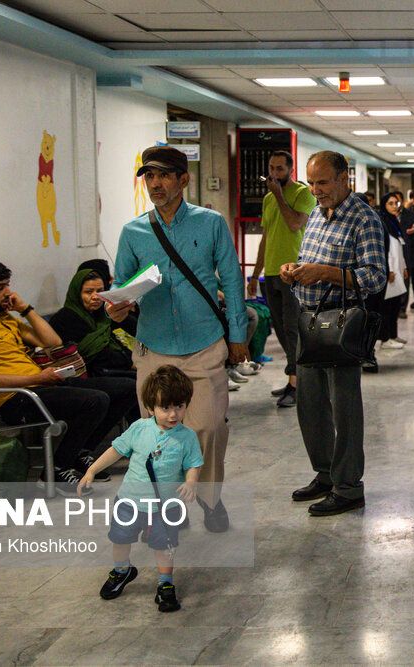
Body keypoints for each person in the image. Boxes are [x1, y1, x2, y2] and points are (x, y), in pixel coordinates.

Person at [109, 145, 249, 533]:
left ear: (183, 180)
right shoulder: (133, 231)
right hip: (153, 347)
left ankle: (210, 498)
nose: (155, 184)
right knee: (157, 436)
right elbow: (119, 283)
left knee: (208, 428)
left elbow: (232, 280)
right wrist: (117, 303)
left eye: (164, 176)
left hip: (203, 343)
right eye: (149, 177)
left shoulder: (211, 223)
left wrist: (237, 334)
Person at [0, 259, 137, 496]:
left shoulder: (5, 319)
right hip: (16, 398)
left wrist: (25, 309)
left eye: (7, 285)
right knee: (95, 400)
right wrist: (36, 378)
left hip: (40, 385)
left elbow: (52, 342)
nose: (7, 292)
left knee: (128, 388)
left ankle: (80, 453)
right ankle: (55, 469)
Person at [281, 150, 386, 517]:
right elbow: (311, 261)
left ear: (345, 179)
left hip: (340, 327)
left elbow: (373, 277)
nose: (315, 190)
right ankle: (325, 474)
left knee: (344, 410)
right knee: (310, 407)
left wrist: (324, 273)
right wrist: (295, 270)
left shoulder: (364, 219)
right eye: (311, 182)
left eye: (322, 182)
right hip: (308, 322)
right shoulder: (316, 214)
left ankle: (348, 485)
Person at [78, 365, 203, 613]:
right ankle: (122, 570)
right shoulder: (139, 429)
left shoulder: (187, 437)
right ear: (149, 407)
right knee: (120, 538)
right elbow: (116, 450)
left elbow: (193, 464)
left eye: (179, 406)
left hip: (164, 505)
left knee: (163, 545)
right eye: (164, 408)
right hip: (129, 501)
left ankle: (165, 584)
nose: (173, 414)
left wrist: (191, 482)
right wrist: (91, 470)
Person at [248, 150, 316, 408]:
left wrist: (278, 195)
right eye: (271, 168)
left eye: (279, 169)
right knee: (281, 329)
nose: (274, 174)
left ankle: (298, 384)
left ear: (290, 170)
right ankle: (293, 379)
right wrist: (256, 273)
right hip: (272, 272)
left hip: (294, 271)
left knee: (292, 328)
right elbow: (266, 237)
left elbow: (294, 224)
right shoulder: (267, 199)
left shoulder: (302, 194)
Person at [49, 269, 136, 379]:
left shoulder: (101, 314)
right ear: (77, 293)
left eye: (100, 291)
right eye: (89, 292)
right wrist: (130, 362)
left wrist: (122, 314)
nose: (96, 297)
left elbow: (135, 328)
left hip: (112, 368)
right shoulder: (65, 318)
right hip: (87, 374)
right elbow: (95, 354)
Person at [375, 192, 408, 350]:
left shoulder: (394, 222)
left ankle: (393, 335)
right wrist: (389, 269)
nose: (395, 206)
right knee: (387, 307)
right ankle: (385, 338)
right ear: (384, 205)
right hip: (389, 271)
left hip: (397, 269)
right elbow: (385, 250)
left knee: (395, 305)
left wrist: (404, 267)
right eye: (391, 203)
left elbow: (399, 247)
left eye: (396, 203)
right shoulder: (382, 223)